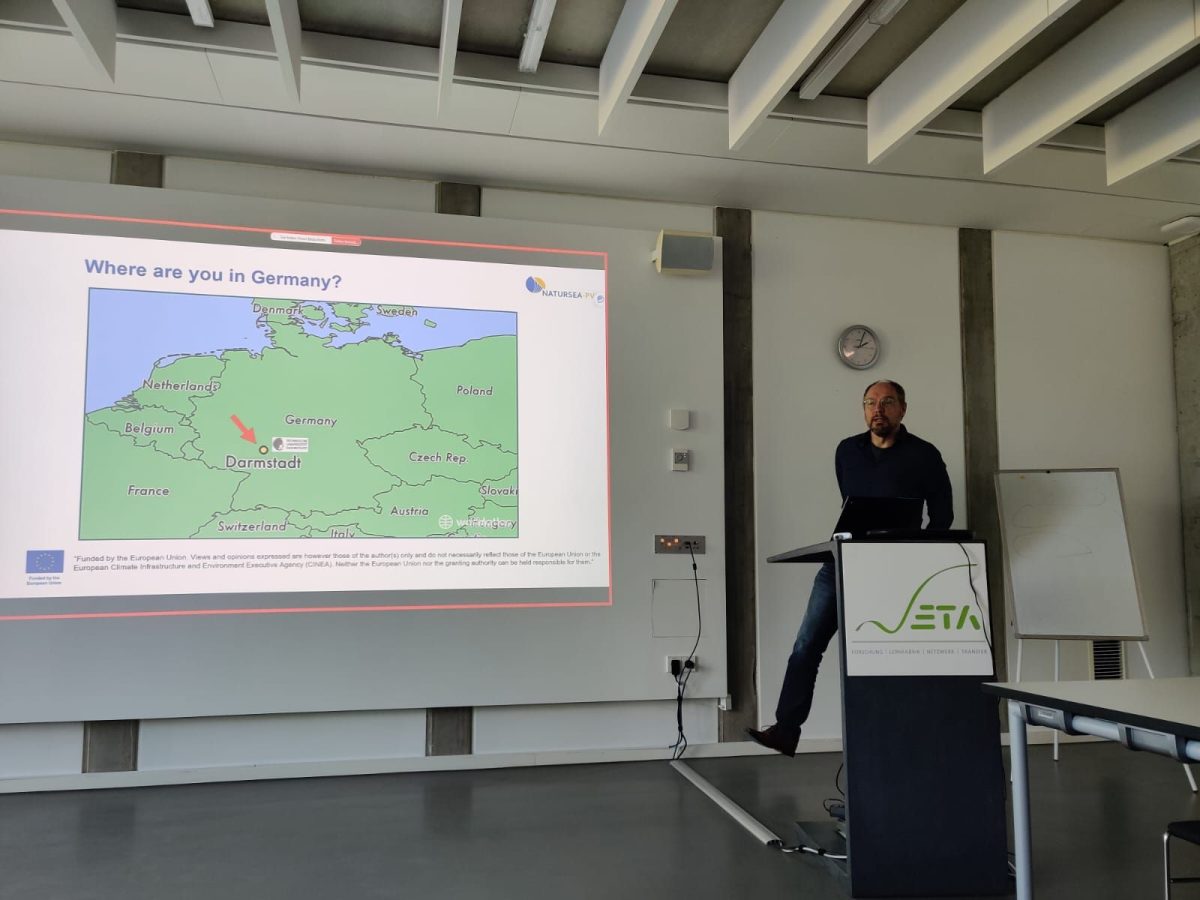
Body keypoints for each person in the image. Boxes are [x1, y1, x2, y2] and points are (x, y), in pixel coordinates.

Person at [747, 379, 952, 757]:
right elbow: (851, 504)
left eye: (887, 402)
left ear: (903, 409)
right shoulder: (847, 450)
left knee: (885, 654)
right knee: (806, 645)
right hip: (841, 563)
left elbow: (943, 516)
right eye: (870, 402)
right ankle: (785, 730)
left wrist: (914, 557)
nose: (878, 409)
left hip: (894, 570)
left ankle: (898, 738)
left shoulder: (924, 455)